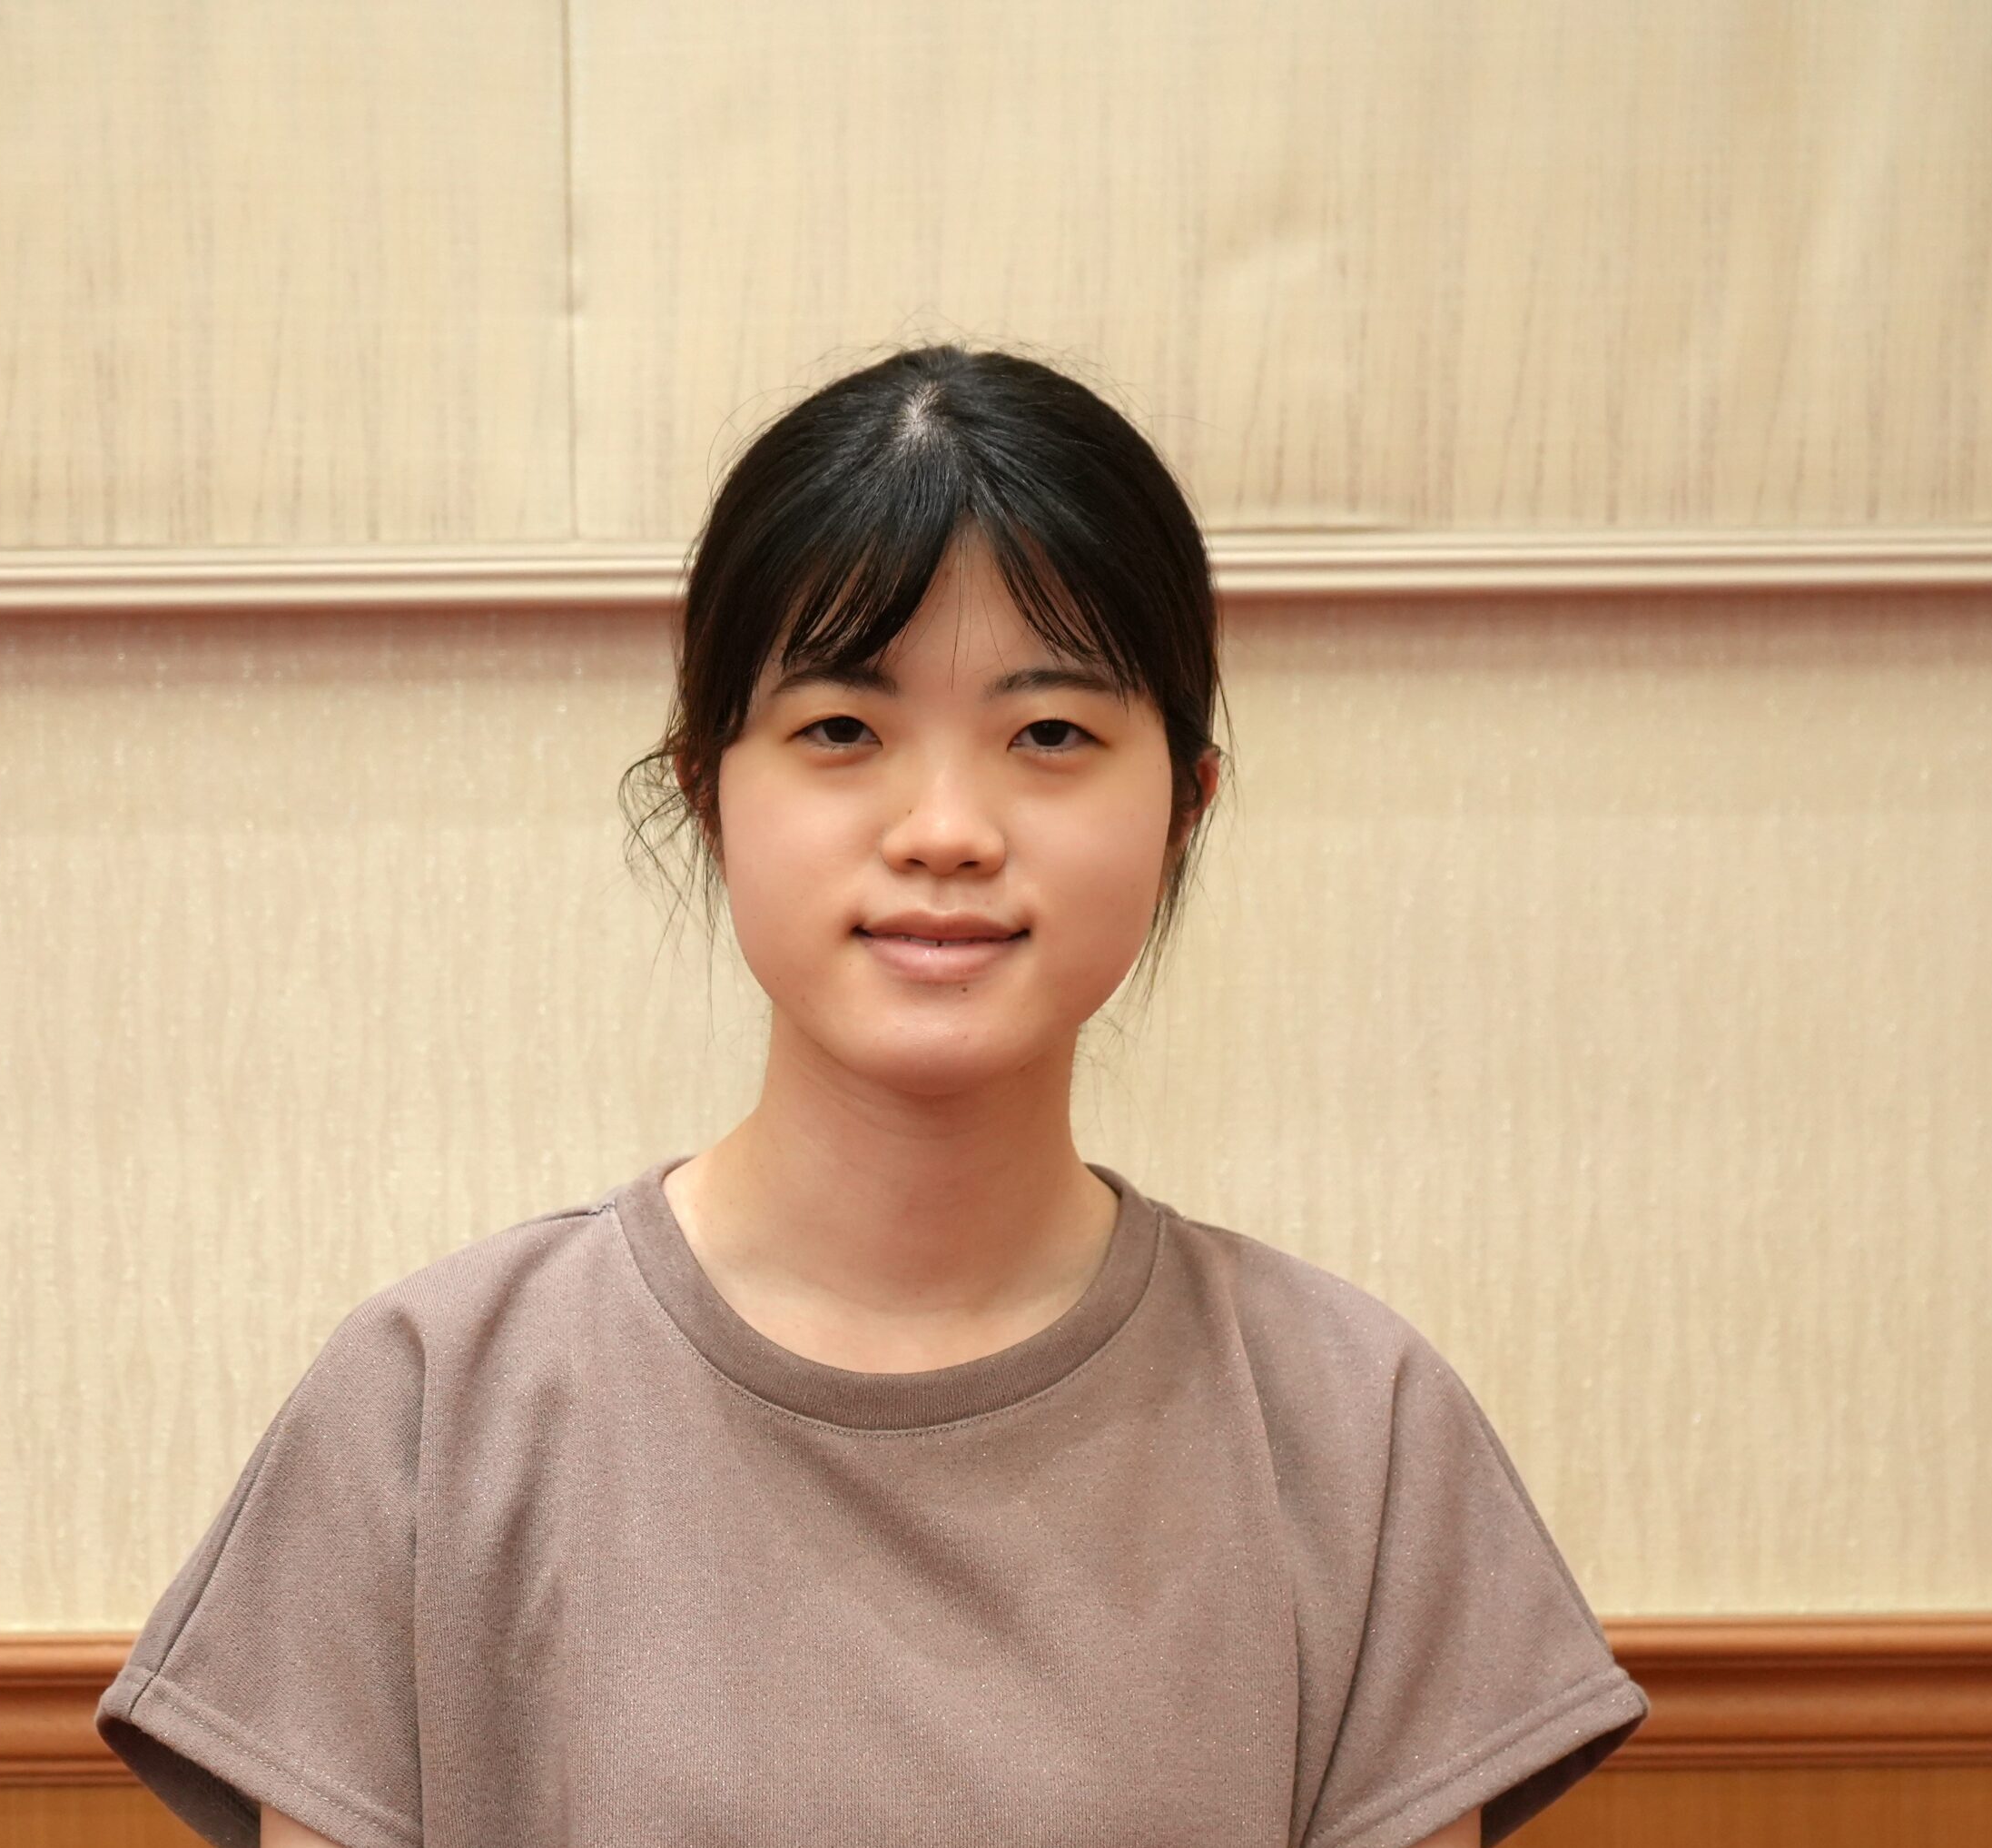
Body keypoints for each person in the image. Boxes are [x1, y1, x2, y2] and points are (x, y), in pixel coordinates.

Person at [96, 344, 1647, 1848]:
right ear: (708, 786)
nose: (947, 828)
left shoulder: (1358, 1426)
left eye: (1051, 732)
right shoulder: (433, 1403)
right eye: (843, 729)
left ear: (1185, 804)